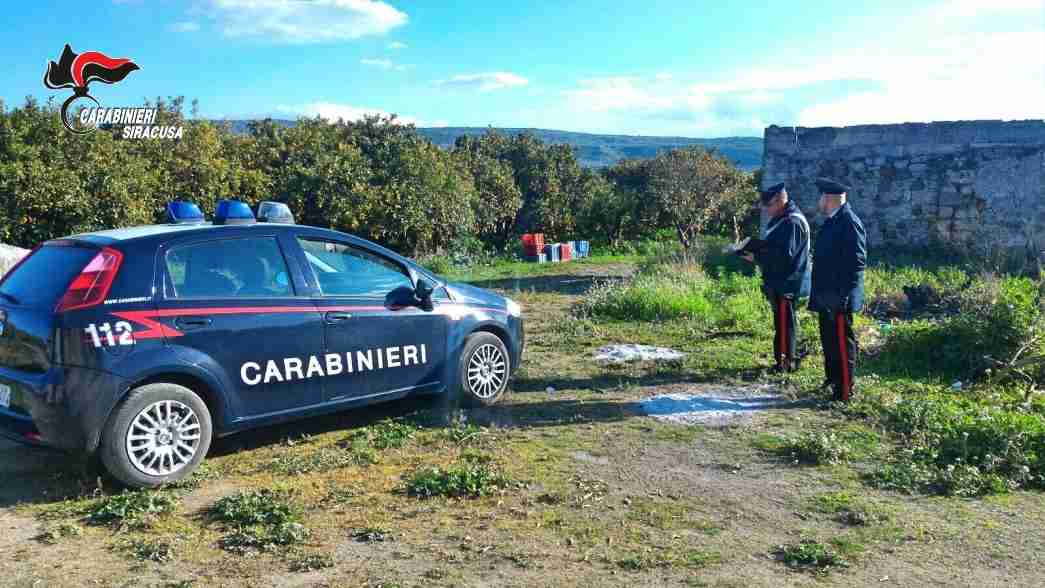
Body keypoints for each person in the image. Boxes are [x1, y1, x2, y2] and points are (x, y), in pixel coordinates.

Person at [741, 182, 811, 372]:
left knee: (785, 325)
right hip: (779, 281)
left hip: (786, 283)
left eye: (769, 205)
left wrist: (756, 256)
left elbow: (784, 256)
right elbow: (775, 247)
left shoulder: (792, 222)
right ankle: (784, 361)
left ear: (781, 200)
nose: (766, 209)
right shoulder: (783, 219)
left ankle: (785, 364)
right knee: (781, 324)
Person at [809, 178, 867, 402]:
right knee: (829, 341)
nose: (819, 201)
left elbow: (857, 262)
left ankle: (844, 391)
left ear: (830, 198)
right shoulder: (833, 220)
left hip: (839, 297)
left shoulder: (849, 222)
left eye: (821, 197)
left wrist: (843, 296)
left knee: (842, 343)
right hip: (827, 296)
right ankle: (833, 380)